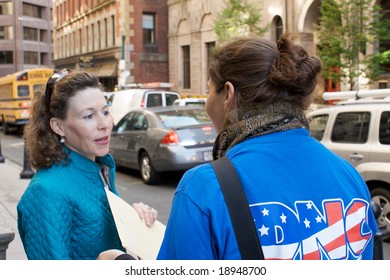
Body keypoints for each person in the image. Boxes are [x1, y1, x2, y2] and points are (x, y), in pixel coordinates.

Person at [99, 33, 378, 260]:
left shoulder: (205, 187)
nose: (208, 102)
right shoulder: (348, 175)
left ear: (228, 94)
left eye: (209, 90)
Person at [17, 69, 158, 260]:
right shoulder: (45, 192)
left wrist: (133, 222)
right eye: (88, 116)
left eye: (105, 112)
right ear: (58, 126)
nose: (104, 124)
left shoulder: (101, 169)